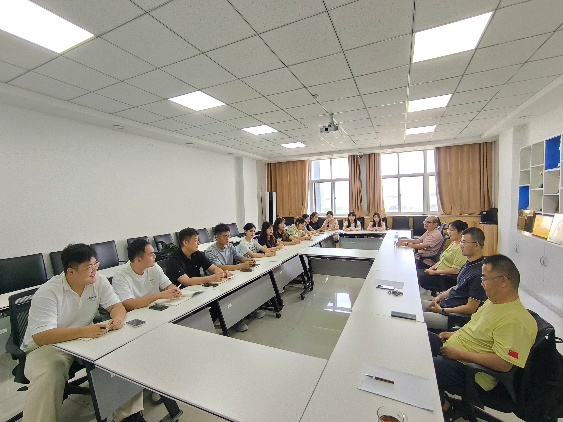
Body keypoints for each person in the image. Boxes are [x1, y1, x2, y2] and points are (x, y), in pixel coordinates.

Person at [20, 244, 142, 422]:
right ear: (71, 271)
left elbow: (117, 306)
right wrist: (84, 331)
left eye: (95, 265)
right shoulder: (48, 292)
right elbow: (42, 336)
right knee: (50, 371)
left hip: (85, 338)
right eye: (89, 267)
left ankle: (128, 415)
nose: (95, 271)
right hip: (49, 345)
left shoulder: (98, 281)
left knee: (122, 351)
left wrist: (117, 318)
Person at [428, 254, 537, 418]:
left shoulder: (516, 320)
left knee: (425, 366)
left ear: (503, 281)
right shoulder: (493, 302)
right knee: (420, 339)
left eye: (484, 279)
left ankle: (445, 407)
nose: (481, 283)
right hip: (456, 352)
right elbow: (476, 329)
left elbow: (504, 364)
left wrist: (459, 354)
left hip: (471, 372)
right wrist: (452, 334)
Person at [421, 227, 486, 330]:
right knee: (413, 306)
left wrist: (442, 310)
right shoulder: (468, 264)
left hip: (452, 317)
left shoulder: (480, 274)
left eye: (464, 242)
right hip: (445, 305)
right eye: (461, 242)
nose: (461, 245)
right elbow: (457, 286)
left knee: (415, 318)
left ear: (476, 245)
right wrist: (439, 297)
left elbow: (470, 308)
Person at [205, 223, 263, 332]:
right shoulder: (210, 251)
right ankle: (236, 320)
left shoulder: (230, 246)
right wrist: (241, 266)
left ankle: (250, 310)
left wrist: (249, 261)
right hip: (217, 282)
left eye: (229, 236)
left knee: (248, 284)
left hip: (230, 277)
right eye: (225, 236)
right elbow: (219, 267)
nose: (228, 238)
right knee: (232, 293)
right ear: (217, 237)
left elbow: (239, 257)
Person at [112, 238, 181, 311]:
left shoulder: (154, 267)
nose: (155, 256)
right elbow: (129, 305)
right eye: (151, 255)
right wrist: (159, 295)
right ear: (138, 260)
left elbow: (168, 285)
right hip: (137, 313)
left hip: (156, 309)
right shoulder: (120, 276)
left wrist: (174, 290)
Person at [417, 220, 468, 293]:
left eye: (451, 230)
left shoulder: (461, 248)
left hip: (445, 278)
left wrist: (435, 272)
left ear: (461, 232)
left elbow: (456, 270)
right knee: (414, 273)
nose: (448, 232)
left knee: (416, 277)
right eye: (448, 229)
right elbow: (442, 261)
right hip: (437, 272)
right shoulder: (454, 243)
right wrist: (430, 269)